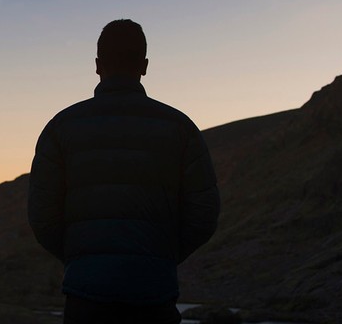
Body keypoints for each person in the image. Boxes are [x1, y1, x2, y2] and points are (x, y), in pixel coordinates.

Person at [28, 19, 220, 324]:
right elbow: (204, 214)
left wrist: (82, 258)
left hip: (85, 296)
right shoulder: (181, 129)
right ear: (144, 66)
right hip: (154, 295)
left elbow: (42, 215)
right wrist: (160, 257)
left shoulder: (60, 128)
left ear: (97, 65)